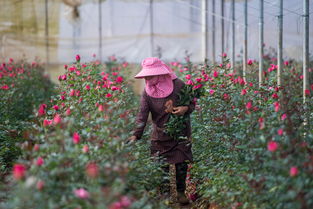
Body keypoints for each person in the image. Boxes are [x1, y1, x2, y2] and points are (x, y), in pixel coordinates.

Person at [128, 57, 195, 206]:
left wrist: (185, 108)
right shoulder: (147, 91)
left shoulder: (178, 85)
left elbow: (191, 103)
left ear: (160, 73)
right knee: (161, 167)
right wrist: (135, 134)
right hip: (159, 135)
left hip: (180, 133)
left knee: (181, 165)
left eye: (150, 75)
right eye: (146, 75)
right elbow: (142, 114)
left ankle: (180, 193)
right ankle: (165, 195)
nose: (147, 78)